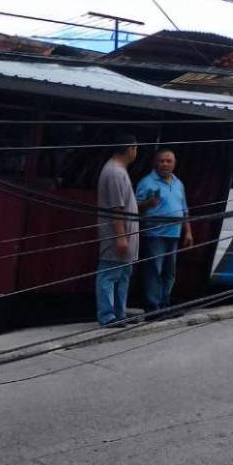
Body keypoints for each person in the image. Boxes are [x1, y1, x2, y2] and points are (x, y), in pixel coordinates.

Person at [136, 148, 193, 312]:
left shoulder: (178, 183)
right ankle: (152, 307)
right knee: (154, 270)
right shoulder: (146, 182)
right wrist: (147, 204)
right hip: (154, 233)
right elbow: (132, 207)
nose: (165, 164)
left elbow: (184, 209)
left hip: (174, 233)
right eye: (162, 161)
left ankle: (164, 303)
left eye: (169, 161)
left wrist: (188, 231)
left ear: (174, 164)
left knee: (169, 272)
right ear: (155, 163)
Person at [96, 134, 139, 327]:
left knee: (123, 275)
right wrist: (121, 237)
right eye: (135, 148)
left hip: (126, 235)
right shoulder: (114, 172)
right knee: (109, 273)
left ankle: (119, 312)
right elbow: (116, 207)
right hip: (116, 235)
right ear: (130, 149)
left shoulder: (119, 170)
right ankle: (107, 316)